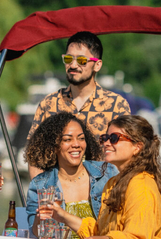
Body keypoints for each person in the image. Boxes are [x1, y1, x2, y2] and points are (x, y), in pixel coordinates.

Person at [39, 115, 161, 239]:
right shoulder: (113, 183)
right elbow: (100, 233)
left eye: (115, 138)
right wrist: (62, 216)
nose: (106, 143)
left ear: (137, 147)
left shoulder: (141, 185)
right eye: (105, 138)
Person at [26, 31, 131, 178]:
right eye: (68, 59)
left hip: (103, 195)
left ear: (97, 65)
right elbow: (34, 156)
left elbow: (125, 156)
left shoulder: (116, 105)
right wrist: (42, 194)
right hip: (58, 196)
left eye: (81, 60)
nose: (73, 65)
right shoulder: (49, 104)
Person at [23, 112, 114, 239]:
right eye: (67, 139)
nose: (76, 144)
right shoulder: (40, 184)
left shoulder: (107, 173)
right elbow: (36, 234)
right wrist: (40, 217)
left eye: (81, 138)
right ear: (53, 146)